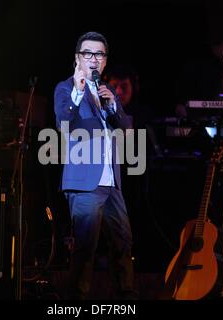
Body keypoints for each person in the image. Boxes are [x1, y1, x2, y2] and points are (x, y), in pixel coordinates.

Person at [54, 31, 135, 299]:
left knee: (123, 243)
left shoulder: (107, 91)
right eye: (88, 53)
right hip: (85, 182)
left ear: (105, 61)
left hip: (112, 183)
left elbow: (126, 130)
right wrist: (78, 92)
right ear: (77, 58)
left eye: (99, 54)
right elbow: (64, 125)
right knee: (86, 248)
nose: (94, 59)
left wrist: (113, 107)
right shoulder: (65, 88)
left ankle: (125, 298)